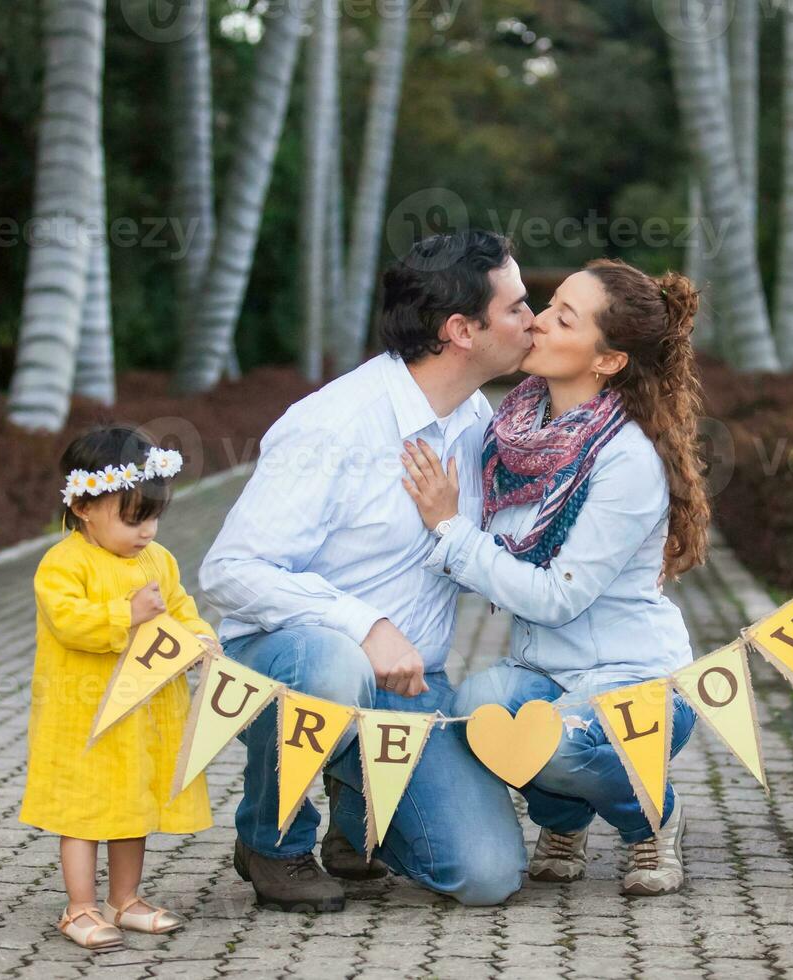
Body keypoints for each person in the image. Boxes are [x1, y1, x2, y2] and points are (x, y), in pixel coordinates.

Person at [199, 230, 534, 911]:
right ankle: (273, 840)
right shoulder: (333, 424)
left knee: (487, 874)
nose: (534, 320)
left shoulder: (478, 420)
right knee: (333, 661)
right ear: (461, 330)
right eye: (518, 307)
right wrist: (365, 624)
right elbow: (229, 569)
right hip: (292, 660)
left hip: (413, 687)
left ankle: (360, 816)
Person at [401, 259, 709, 896]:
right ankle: (563, 817)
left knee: (556, 744)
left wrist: (449, 530)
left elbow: (559, 598)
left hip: (634, 685)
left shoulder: (626, 459)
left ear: (607, 361)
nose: (536, 323)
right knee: (477, 708)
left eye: (563, 319)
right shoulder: (513, 432)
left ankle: (652, 815)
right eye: (547, 306)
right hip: (545, 669)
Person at [20, 426, 218, 951]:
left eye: (153, 517)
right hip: (84, 714)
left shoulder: (159, 561)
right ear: (85, 507)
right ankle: (79, 906)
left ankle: (124, 899)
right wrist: (125, 614)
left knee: (133, 804)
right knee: (83, 809)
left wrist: (201, 641)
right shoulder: (63, 563)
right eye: (133, 519)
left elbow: (181, 609)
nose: (147, 531)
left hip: (144, 712)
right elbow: (68, 621)